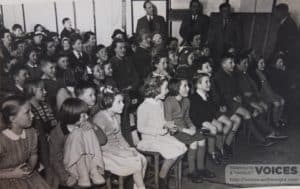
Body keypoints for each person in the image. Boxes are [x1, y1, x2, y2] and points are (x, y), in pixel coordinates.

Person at [137, 77, 187, 188]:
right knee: (173, 151)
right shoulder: (143, 107)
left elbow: (161, 121)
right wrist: (159, 130)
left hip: (162, 136)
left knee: (182, 147)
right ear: (156, 89)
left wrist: (168, 125)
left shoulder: (159, 103)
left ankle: (162, 173)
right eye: (165, 88)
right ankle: (162, 178)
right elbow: (140, 128)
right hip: (149, 139)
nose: (168, 90)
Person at [92, 92, 147, 189]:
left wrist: (128, 148)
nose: (123, 104)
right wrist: (122, 153)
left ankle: (137, 186)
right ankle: (141, 187)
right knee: (136, 162)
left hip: (116, 150)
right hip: (104, 154)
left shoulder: (116, 115)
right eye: (119, 102)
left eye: (123, 101)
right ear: (108, 102)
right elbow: (100, 145)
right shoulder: (100, 119)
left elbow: (119, 136)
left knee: (143, 159)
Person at [164, 78, 215, 183]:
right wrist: (185, 130)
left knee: (202, 139)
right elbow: (168, 122)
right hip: (174, 131)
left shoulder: (186, 100)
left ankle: (201, 169)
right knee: (194, 143)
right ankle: (192, 172)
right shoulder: (169, 101)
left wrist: (192, 126)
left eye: (188, 86)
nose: (188, 88)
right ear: (176, 88)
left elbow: (187, 117)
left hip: (186, 128)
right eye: (185, 86)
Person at [0, 95, 51, 189]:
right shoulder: (2, 140)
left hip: (25, 175)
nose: (32, 115)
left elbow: (33, 154)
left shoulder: (31, 133)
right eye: (27, 112)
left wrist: (30, 168)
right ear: (12, 119)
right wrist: (13, 174)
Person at [190, 74, 236, 161]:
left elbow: (211, 110)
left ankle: (219, 147)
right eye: (206, 82)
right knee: (213, 128)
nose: (209, 84)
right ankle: (211, 153)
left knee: (219, 125)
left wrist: (215, 114)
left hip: (207, 118)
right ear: (198, 85)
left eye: (209, 81)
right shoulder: (194, 98)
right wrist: (207, 122)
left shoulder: (207, 95)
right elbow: (195, 116)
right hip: (198, 120)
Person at [24, 79, 57, 187]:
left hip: (50, 140)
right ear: (31, 91)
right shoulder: (28, 109)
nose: (45, 92)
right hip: (37, 145)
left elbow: (53, 123)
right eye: (41, 90)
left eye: (45, 89)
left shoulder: (45, 105)